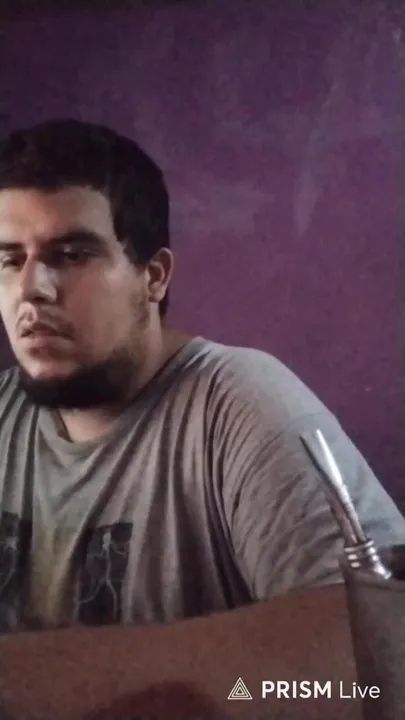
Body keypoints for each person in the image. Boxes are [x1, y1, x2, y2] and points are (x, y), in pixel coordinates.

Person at [0, 118, 403, 635]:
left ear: (154, 276)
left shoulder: (240, 407)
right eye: (10, 260)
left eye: (73, 255)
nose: (31, 289)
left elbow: (378, 644)